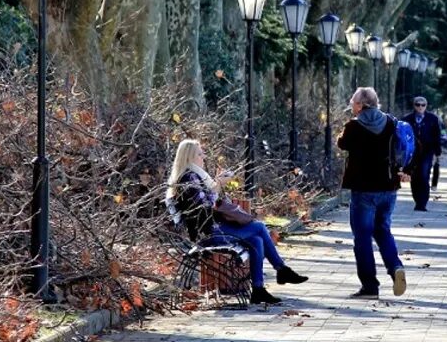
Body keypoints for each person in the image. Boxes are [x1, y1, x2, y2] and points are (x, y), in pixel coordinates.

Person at [166, 139, 308, 306]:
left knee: (257, 239)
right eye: (199, 153)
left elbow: (210, 203)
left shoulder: (196, 176)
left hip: (212, 228)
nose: (203, 156)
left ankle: (259, 289)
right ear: (190, 157)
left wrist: (217, 184)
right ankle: (281, 270)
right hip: (206, 234)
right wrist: (218, 184)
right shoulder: (189, 178)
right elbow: (203, 209)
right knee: (260, 227)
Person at [337, 87, 408, 299]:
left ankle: (370, 286)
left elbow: (342, 143)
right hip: (388, 187)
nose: (351, 105)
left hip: (363, 190)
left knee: (362, 237)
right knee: (383, 230)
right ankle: (395, 267)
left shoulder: (354, 126)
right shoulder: (391, 122)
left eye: (353, 102)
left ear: (361, 105)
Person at [400, 96, 442, 210]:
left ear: (426, 106)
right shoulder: (407, 119)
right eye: (417, 104)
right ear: (414, 106)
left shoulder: (432, 119)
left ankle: (422, 203)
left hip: (427, 151)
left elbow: (437, 135)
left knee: (424, 175)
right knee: (413, 176)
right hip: (411, 152)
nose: (420, 107)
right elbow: (402, 136)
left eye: (423, 105)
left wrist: (438, 152)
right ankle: (417, 200)